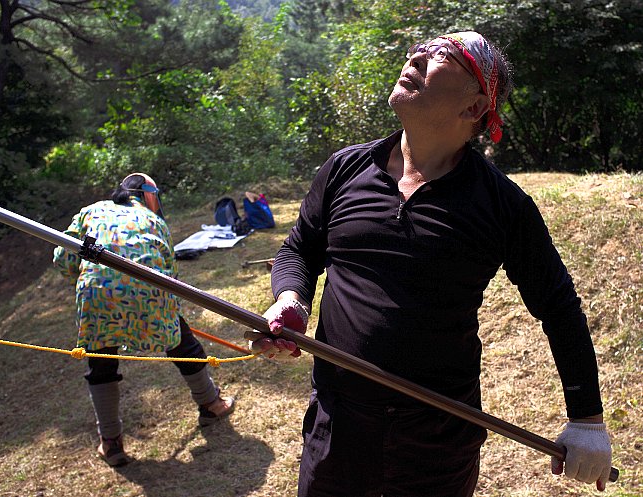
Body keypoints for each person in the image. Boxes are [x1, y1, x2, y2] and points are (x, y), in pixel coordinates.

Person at [248, 31, 612, 496]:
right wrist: (291, 300)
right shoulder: (344, 169)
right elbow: (300, 249)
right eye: (421, 47)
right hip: (338, 424)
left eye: (445, 55)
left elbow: (558, 308)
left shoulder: (503, 205)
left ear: (474, 107)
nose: (419, 54)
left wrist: (587, 420)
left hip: (438, 438)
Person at [53, 172, 235, 467]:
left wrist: (95, 280)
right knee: (181, 342)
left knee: (101, 362)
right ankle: (211, 404)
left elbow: (64, 258)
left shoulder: (90, 212)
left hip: (98, 294)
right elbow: (170, 274)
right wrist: (168, 311)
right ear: (149, 195)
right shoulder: (154, 221)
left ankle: (111, 443)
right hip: (150, 291)